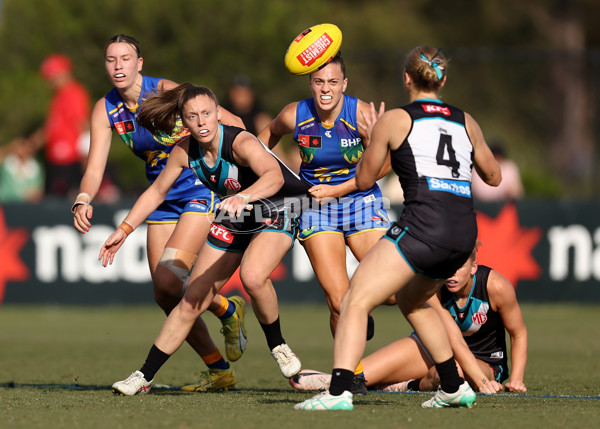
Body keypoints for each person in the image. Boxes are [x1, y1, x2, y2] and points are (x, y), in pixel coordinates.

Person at [294, 46, 502, 411]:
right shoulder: (465, 120)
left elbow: (363, 178)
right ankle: (453, 387)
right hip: (463, 232)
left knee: (355, 298)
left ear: (406, 79)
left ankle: (339, 392)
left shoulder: (396, 120)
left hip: (424, 227)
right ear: (443, 80)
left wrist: (373, 135)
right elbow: (494, 176)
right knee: (413, 300)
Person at [101, 84, 311, 395]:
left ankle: (278, 345)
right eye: (193, 116)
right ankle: (143, 377)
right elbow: (157, 192)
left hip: (281, 204)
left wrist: (244, 197)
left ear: (217, 113)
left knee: (252, 276)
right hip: (238, 210)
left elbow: (275, 177)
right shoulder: (184, 151)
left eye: (207, 114)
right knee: (190, 300)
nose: (202, 122)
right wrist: (125, 228)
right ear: (183, 122)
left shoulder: (239, 141)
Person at [72, 34, 247, 393]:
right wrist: (83, 197)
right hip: (162, 196)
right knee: (165, 293)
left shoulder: (167, 91)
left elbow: (234, 122)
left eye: (125, 58)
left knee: (170, 279)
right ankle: (219, 362)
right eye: (110, 59)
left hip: (200, 189)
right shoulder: (106, 108)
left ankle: (224, 315)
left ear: (140, 63)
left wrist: (235, 167)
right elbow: (95, 166)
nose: (118, 66)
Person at [258, 53, 392, 392]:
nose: (326, 89)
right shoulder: (294, 114)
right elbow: (263, 139)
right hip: (316, 208)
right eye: (319, 82)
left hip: (361, 202)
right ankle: (353, 374)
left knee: (392, 291)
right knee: (339, 301)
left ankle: (361, 317)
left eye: (333, 82)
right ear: (310, 83)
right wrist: (265, 174)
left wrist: (341, 188)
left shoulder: (361, 114)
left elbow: (386, 163)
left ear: (344, 84)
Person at [290, 243, 528, 394]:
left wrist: (514, 380)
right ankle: (337, 380)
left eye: (459, 268)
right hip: (434, 346)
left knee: (448, 373)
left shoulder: (496, 287)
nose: (451, 275)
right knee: (358, 376)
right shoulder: (432, 284)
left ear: (474, 267)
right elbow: (453, 339)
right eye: (447, 268)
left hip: (484, 363)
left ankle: (405, 385)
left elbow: (518, 334)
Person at [34, 53, 90, 198]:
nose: (49, 81)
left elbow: (83, 125)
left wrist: (87, 153)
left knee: (64, 201)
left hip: (70, 160)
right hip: (57, 159)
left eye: (52, 75)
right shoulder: (58, 96)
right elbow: (51, 127)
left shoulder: (74, 93)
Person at [0, 135, 44, 203]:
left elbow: (38, 191)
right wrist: (9, 148)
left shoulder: (35, 168)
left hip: (25, 206)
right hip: (5, 203)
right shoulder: (6, 163)